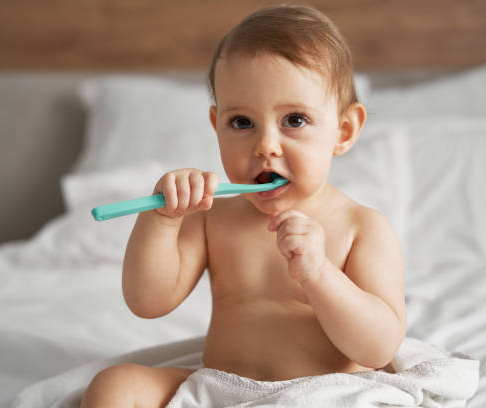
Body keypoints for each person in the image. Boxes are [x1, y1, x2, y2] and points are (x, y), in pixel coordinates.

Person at [81, 4, 406, 407]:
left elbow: (378, 348)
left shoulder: (361, 227)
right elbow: (148, 302)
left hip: (322, 394)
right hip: (222, 389)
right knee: (115, 385)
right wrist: (161, 220)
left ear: (343, 131)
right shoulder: (213, 217)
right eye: (242, 122)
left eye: (294, 120)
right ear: (216, 125)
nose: (265, 145)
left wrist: (319, 273)